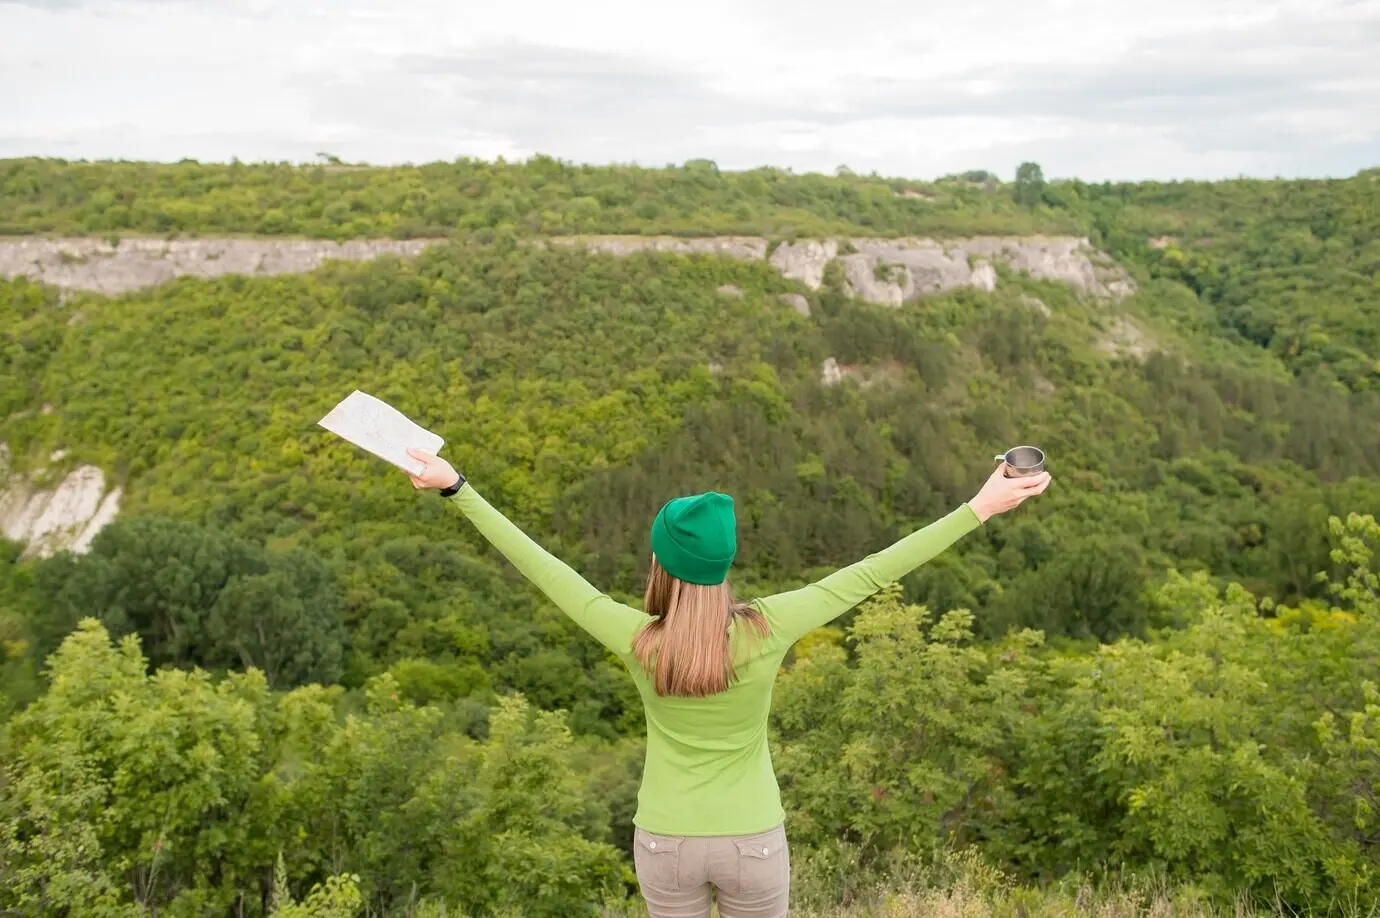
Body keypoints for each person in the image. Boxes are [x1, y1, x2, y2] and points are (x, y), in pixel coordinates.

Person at [404, 448, 1051, 918]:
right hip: (752, 840)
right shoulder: (769, 627)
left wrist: (456, 487)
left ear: (660, 564)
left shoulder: (636, 640)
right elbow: (874, 570)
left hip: (665, 840)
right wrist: (979, 507)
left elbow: (542, 567)